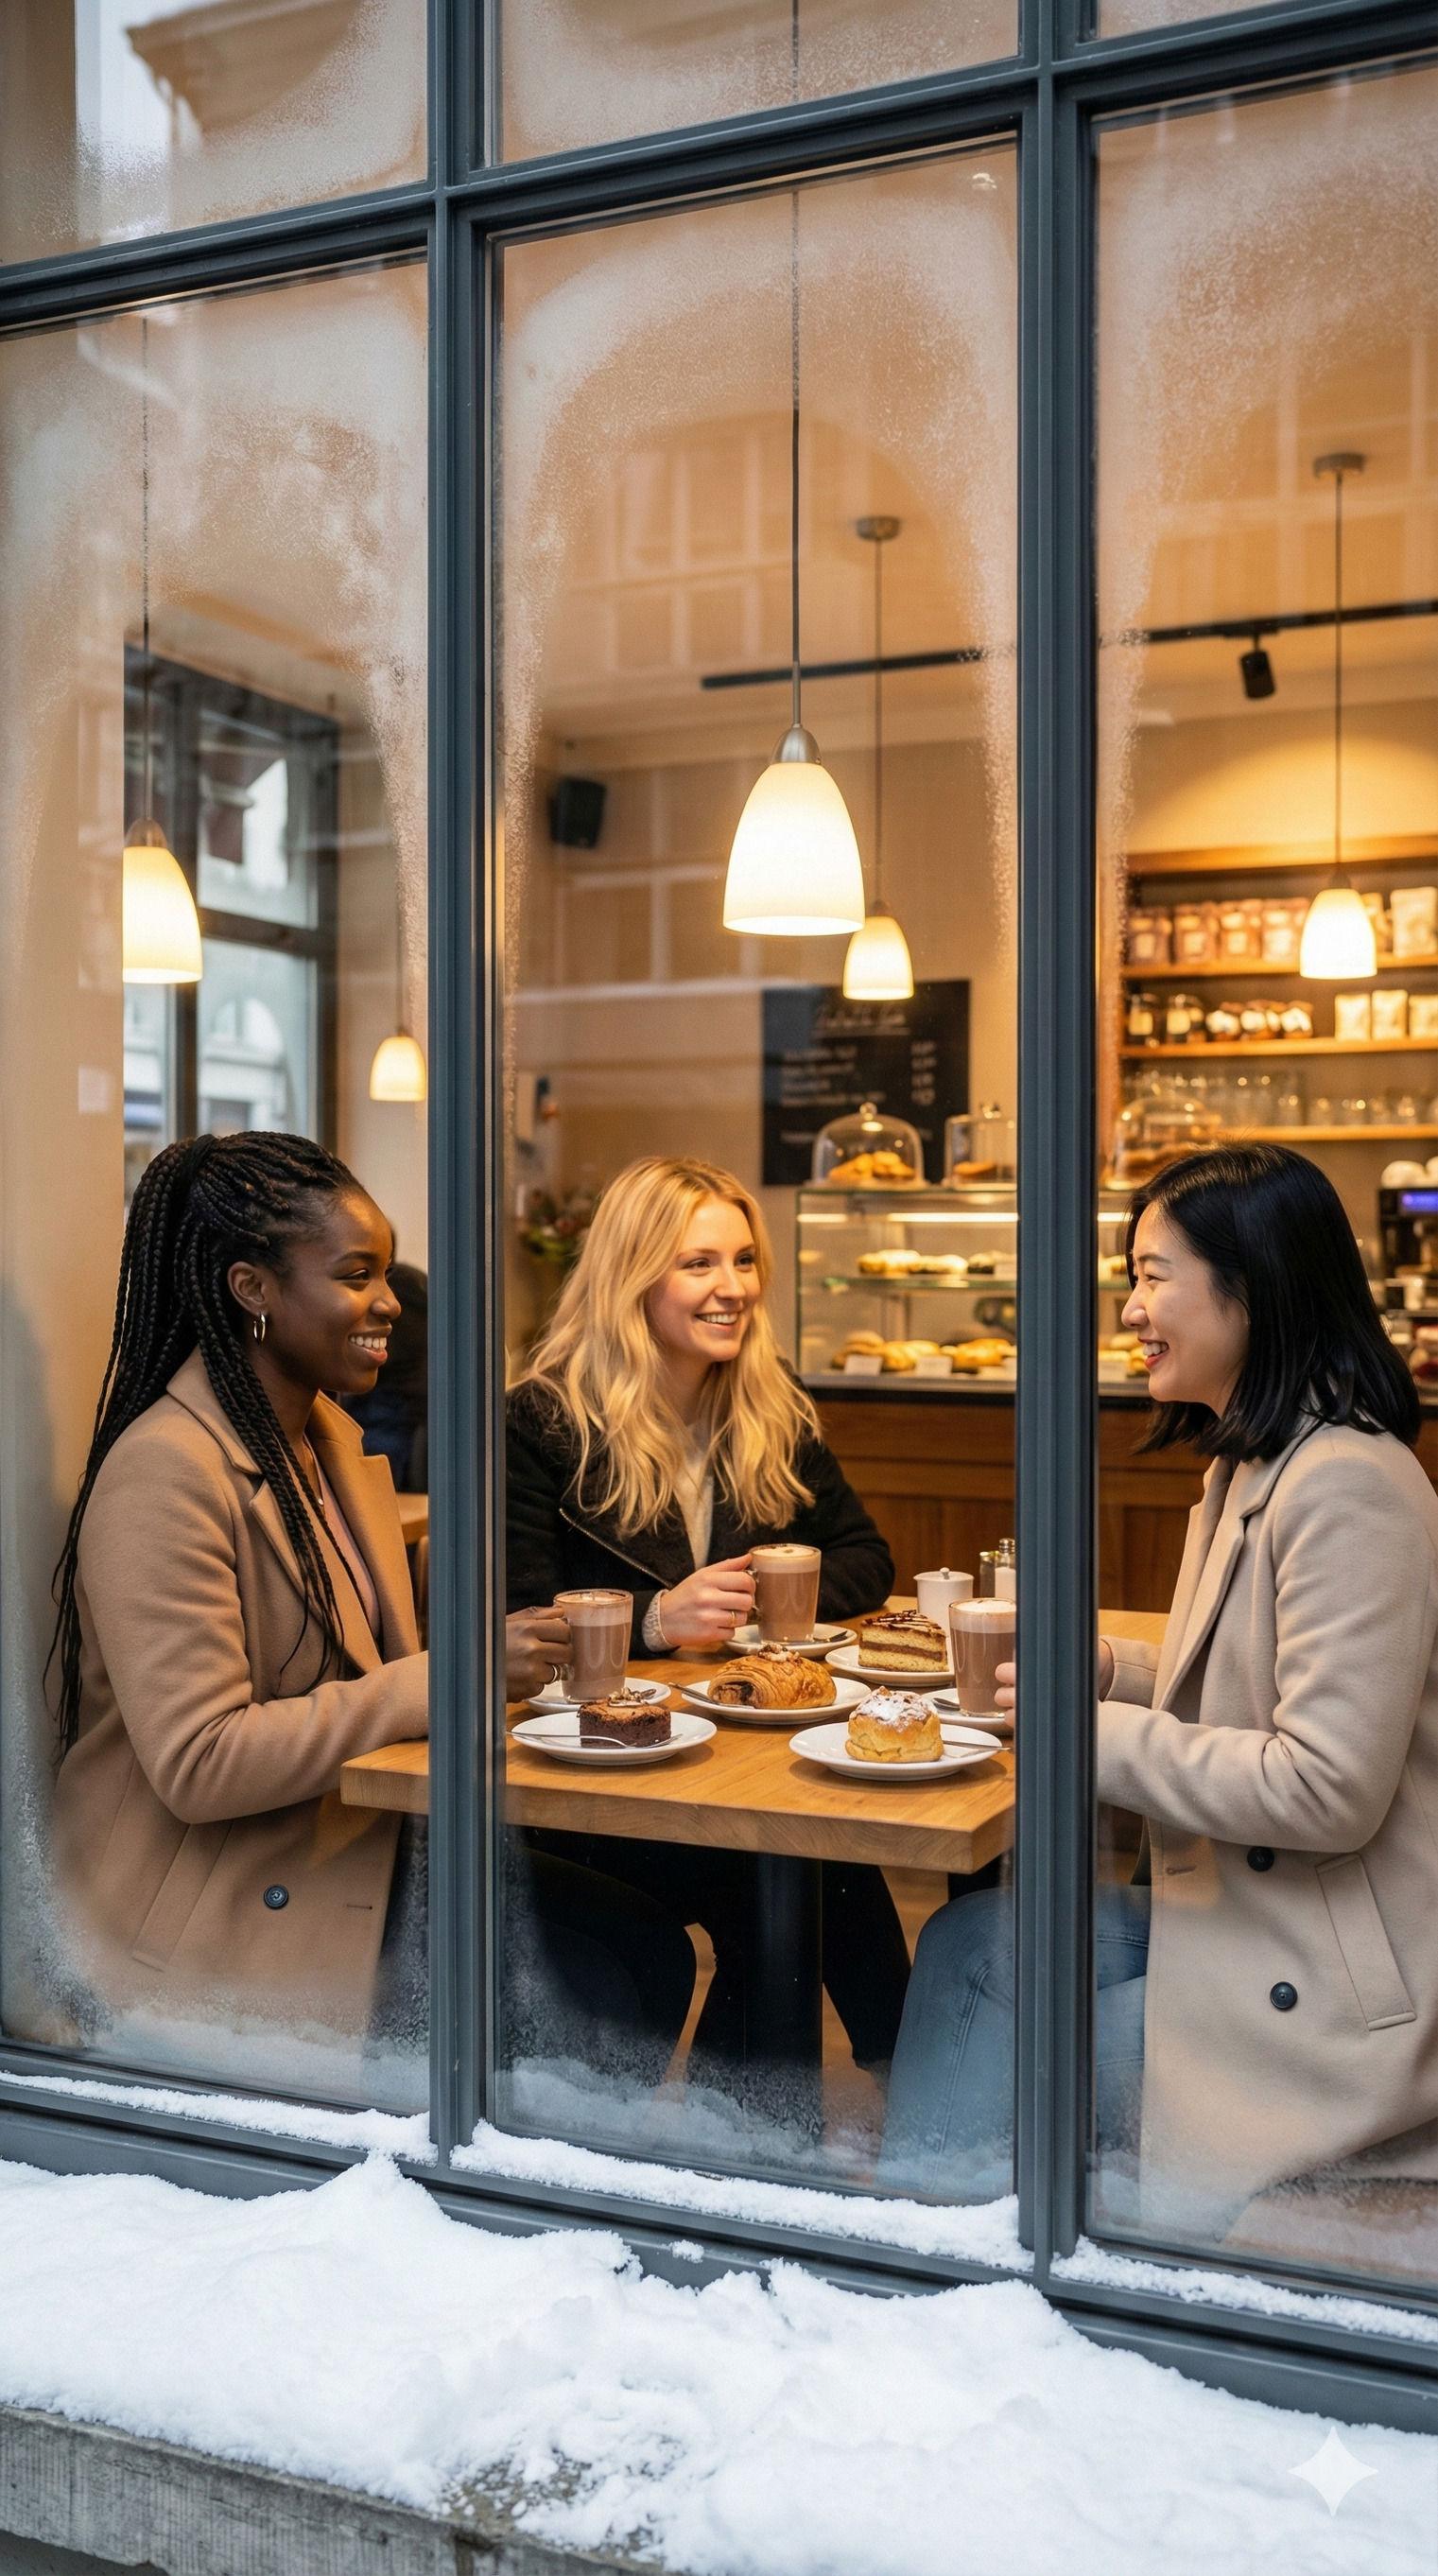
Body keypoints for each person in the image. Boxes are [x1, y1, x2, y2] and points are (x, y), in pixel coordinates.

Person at [49, 1132, 691, 2089]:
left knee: (646, 1941)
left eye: (386, 1273)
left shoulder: (328, 1446)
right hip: (209, 1908)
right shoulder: (163, 1472)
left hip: (344, 1843)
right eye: (356, 1274)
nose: (391, 1301)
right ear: (251, 1288)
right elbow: (198, 1763)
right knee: (606, 1974)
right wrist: (454, 1676)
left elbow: (353, 1664)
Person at [881, 1143, 1438, 2237]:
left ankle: (930, 2265)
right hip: (1256, 1916)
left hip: (1327, 1979)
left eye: (1151, 1274)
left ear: (1255, 1286)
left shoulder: (1351, 1486)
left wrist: (1081, 1731)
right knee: (969, 1944)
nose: (1130, 1308)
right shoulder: (1253, 1462)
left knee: (1018, 2025)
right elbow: (1251, 1693)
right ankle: (943, 2242)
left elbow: (1326, 1787)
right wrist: (1104, 1670)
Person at [508, 1153, 912, 2085]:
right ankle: (803, 2133)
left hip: (723, 1758)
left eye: (741, 1261)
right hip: (594, 1779)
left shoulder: (771, 1409)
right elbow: (507, 1627)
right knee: (797, 1866)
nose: (731, 1288)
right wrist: (656, 1620)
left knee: (812, 1852)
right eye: (698, 1264)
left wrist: (765, 1604)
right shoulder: (538, 1420)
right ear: (632, 1276)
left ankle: (872, 2104)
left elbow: (867, 1560)